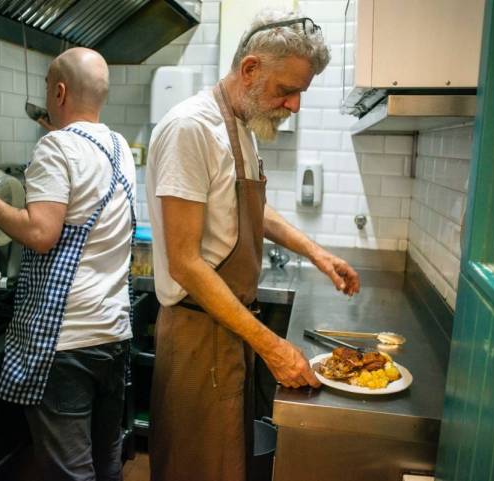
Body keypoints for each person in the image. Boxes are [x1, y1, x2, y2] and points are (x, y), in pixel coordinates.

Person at [145, 9, 361, 481]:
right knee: (194, 467)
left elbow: (252, 210)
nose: (294, 105)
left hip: (229, 327)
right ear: (250, 69)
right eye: (287, 90)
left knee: (226, 465)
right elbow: (185, 264)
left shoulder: (241, 129)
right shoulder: (191, 130)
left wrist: (316, 253)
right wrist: (273, 346)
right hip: (197, 334)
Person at [0, 47, 136, 481]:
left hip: (67, 344)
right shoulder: (119, 148)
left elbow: (41, 234)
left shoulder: (56, 148)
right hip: (112, 335)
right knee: (106, 462)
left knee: (69, 474)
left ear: (58, 91)